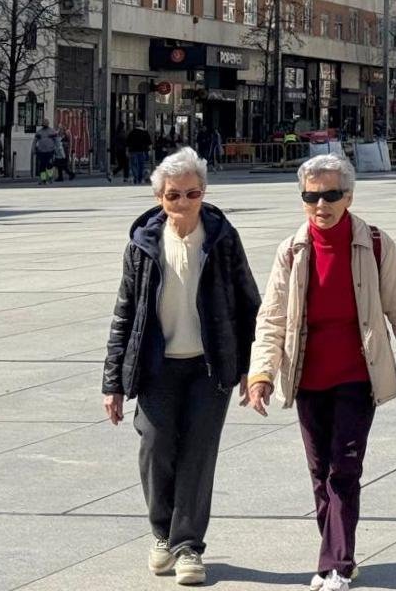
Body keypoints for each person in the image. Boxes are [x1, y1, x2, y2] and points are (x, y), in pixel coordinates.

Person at [247, 154, 396, 591]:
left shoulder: (375, 244)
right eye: (311, 197)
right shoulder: (291, 250)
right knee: (319, 472)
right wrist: (261, 374)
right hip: (307, 378)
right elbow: (271, 318)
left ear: (349, 196)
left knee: (344, 468)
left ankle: (336, 565)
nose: (320, 205)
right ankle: (337, 550)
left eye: (331, 195)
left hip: (357, 375)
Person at [103, 147, 261, 589]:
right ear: (159, 197)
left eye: (193, 193)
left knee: (197, 454)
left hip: (210, 368)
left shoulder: (222, 238)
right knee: (155, 448)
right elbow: (125, 313)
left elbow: (248, 303)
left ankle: (188, 545)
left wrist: (251, 368)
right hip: (157, 366)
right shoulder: (142, 244)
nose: (184, 202)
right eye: (174, 195)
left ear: (203, 192)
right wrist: (113, 383)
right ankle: (161, 534)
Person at [127, 120, 154, 185]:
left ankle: (135, 177)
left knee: (133, 165)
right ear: (142, 125)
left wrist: (127, 151)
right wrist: (150, 151)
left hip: (133, 151)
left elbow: (128, 143)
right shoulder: (145, 132)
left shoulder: (132, 132)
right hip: (142, 151)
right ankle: (140, 178)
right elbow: (149, 143)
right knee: (141, 165)